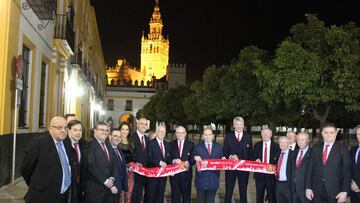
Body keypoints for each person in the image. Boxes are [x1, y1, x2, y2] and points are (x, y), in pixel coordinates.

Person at [21, 116, 75, 203]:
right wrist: (37, 186)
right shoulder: (38, 144)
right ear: (50, 129)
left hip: (63, 196)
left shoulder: (67, 143)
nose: (63, 130)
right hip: (42, 196)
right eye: (59, 127)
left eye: (65, 127)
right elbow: (26, 169)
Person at [305, 122, 351, 203]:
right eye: (326, 132)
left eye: (332, 132)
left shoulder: (343, 149)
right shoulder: (315, 149)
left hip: (335, 191)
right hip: (316, 191)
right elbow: (310, 169)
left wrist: (344, 192)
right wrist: (308, 187)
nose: (329, 135)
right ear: (322, 133)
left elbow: (347, 171)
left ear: (336, 133)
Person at [84, 121, 117, 203]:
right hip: (95, 189)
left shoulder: (108, 145)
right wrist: (107, 182)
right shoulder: (89, 144)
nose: (104, 132)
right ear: (94, 130)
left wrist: (112, 178)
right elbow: (91, 166)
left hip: (107, 190)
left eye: (106, 130)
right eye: (101, 129)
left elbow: (112, 163)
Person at [223, 116, 253, 203]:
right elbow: (225, 152)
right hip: (230, 169)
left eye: (241, 124)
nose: (239, 126)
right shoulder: (228, 136)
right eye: (237, 124)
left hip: (244, 170)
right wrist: (231, 156)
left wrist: (251, 165)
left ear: (243, 125)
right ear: (234, 125)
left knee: (243, 192)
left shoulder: (248, 137)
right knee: (228, 191)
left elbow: (250, 153)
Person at [193, 127, 223, 203]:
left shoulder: (219, 147)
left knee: (211, 201)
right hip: (201, 180)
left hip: (213, 179)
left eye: (209, 134)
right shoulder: (197, 147)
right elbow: (192, 159)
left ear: (212, 136)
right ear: (202, 136)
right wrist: (194, 157)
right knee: (200, 201)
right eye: (205, 134)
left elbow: (222, 159)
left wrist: (224, 160)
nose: (207, 136)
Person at [144, 124, 171, 203]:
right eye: (159, 131)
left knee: (160, 197)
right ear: (156, 132)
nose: (161, 133)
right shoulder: (150, 143)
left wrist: (172, 167)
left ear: (165, 132)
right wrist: (159, 162)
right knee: (150, 197)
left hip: (163, 177)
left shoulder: (167, 144)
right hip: (152, 177)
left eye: (163, 131)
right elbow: (147, 159)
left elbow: (168, 159)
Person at [253, 127, 280, 203]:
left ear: (271, 135)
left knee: (272, 197)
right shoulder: (257, 145)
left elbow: (278, 161)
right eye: (264, 133)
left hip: (271, 176)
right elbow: (253, 156)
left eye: (267, 133)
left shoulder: (276, 147)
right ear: (261, 135)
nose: (265, 135)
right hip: (259, 176)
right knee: (259, 197)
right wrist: (256, 160)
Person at [169, 126, 195, 203]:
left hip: (186, 176)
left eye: (182, 133)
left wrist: (189, 163)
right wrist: (173, 161)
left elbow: (193, 158)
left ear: (185, 133)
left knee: (186, 197)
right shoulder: (170, 145)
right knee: (175, 197)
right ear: (175, 134)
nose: (180, 134)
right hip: (174, 176)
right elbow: (167, 159)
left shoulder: (191, 144)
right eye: (178, 132)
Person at [64, 119, 86, 203]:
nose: (78, 133)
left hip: (79, 186)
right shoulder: (63, 145)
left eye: (80, 130)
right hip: (67, 188)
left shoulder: (83, 144)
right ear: (68, 130)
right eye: (75, 130)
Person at [131, 117, 150, 203]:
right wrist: (135, 163)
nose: (144, 126)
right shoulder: (131, 137)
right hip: (134, 172)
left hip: (144, 172)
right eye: (141, 123)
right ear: (137, 125)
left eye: (145, 124)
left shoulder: (147, 139)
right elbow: (130, 154)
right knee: (133, 195)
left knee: (140, 194)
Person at [108, 129, 128, 203]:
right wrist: (111, 186)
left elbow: (121, 167)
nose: (117, 138)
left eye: (119, 136)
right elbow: (105, 170)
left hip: (119, 186)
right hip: (110, 188)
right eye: (115, 136)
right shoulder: (107, 150)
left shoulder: (118, 149)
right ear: (110, 137)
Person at [291, 132, 311, 203]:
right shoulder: (294, 153)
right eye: (298, 140)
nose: (300, 142)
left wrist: (310, 188)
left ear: (308, 140)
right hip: (294, 188)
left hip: (306, 189)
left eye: (303, 139)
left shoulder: (313, 153)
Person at [118, 122, 134, 203]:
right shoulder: (116, 142)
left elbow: (134, 157)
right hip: (119, 171)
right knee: (120, 194)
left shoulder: (132, 142)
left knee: (129, 194)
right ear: (120, 130)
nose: (124, 131)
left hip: (130, 172)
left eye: (127, 129)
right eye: (123, 129)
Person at [275, 136, 293, 203]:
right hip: (278, 184)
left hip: (288, 184)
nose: (282, 144)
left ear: (288, 143)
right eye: (280, 142)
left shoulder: (293, 154)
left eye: (284, 142)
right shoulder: (277, 154)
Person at [349, 124, 360, 202]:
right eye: (358, 134)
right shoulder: (353, 150)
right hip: (353, 191)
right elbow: (348, 168)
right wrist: (351, 183)